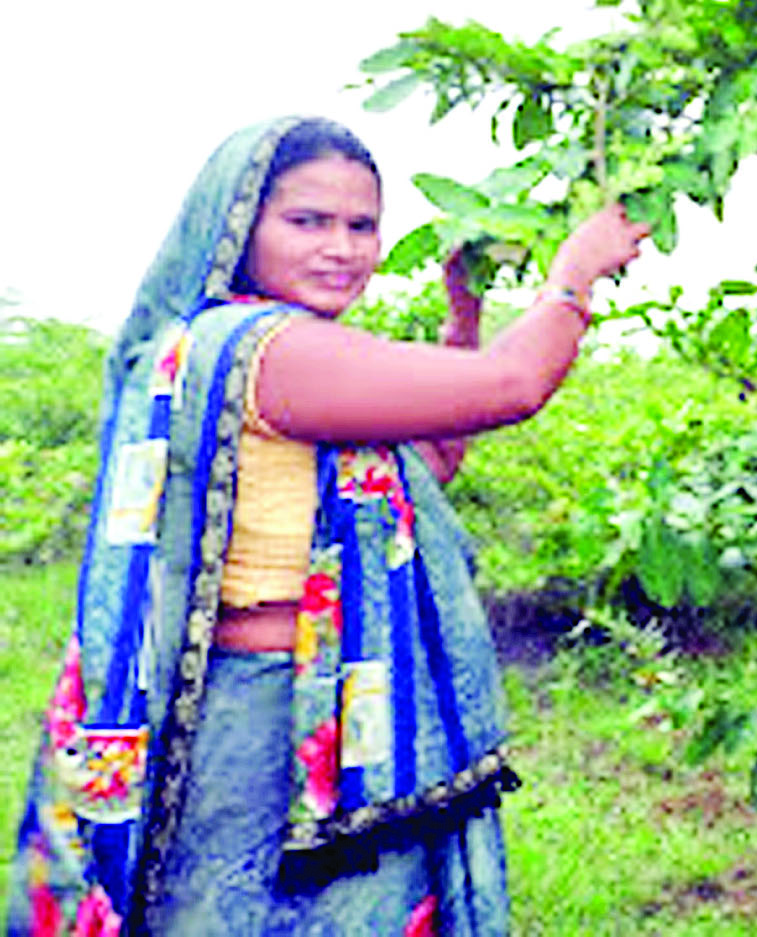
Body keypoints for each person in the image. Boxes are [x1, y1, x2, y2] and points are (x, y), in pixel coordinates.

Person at [8, 117, 648, 936]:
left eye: (361, 225)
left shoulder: (247, 344)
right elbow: (513, 383)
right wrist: (573, 274)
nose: (341, 247)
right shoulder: (267, 349)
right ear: (240, 226)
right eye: (307, 221)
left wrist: (462, 315)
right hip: (263, 723)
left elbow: (420, 469)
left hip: (295, 707)